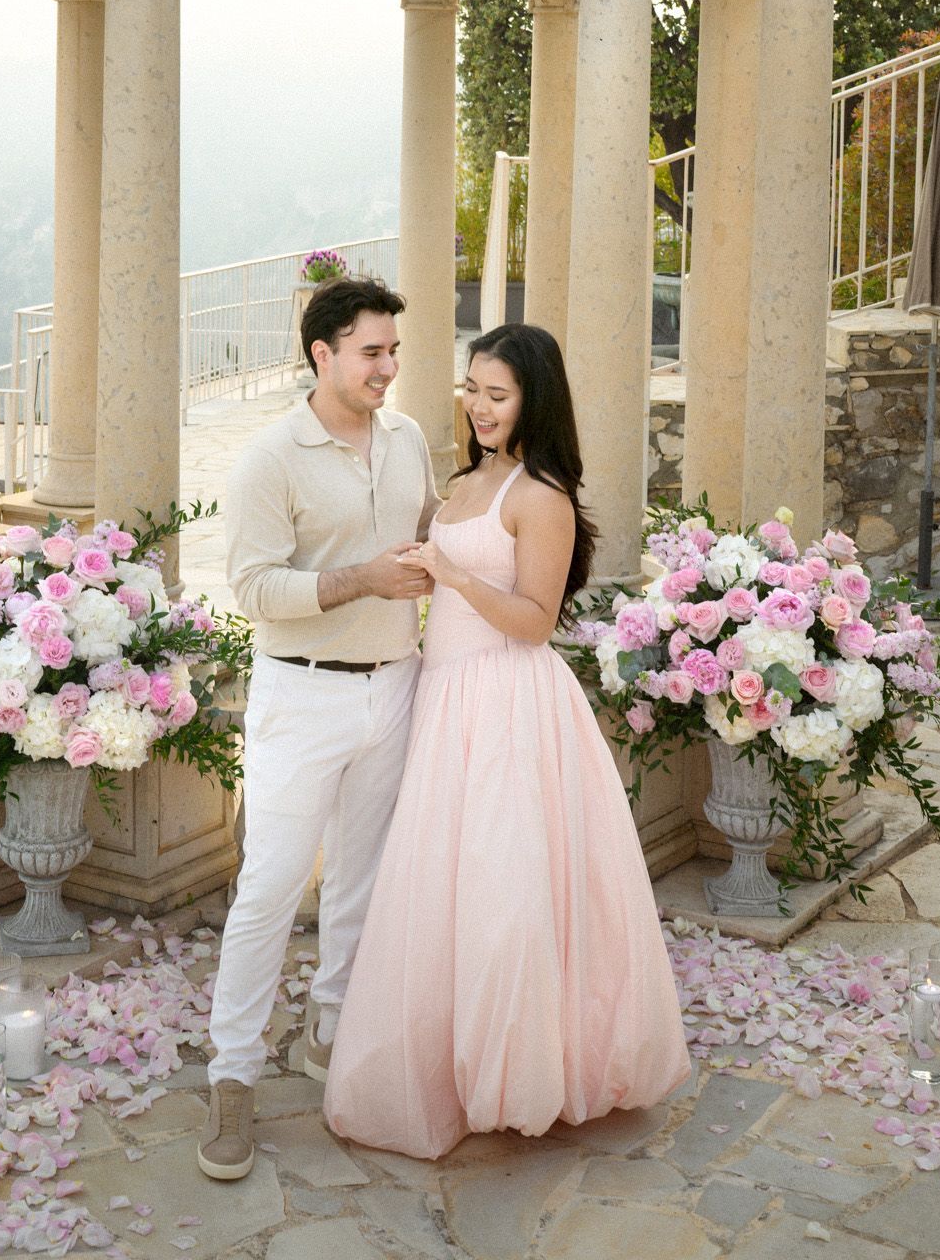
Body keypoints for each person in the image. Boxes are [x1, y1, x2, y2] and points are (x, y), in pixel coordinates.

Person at [323, 322, 691, 1160]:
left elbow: (533, 622)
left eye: (498, 394)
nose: (479, 407)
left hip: (507, 704)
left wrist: (452, 576)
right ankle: (446, 1065)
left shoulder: (541, 495)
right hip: (443, 697)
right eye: (471, 389)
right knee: (440, 889)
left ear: (534, 399)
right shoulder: (465, 480)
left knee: (503, 891)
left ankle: (517, 1073)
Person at [198, 275, 439, 1181]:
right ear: (323, 355)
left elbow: (422, 536)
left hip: (398, 685)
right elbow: (255, 590)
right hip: (299, 696)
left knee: (363, 883)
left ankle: (330, 1032)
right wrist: (359, 581)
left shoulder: (409, 437)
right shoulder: (270, 458)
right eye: (371, 352)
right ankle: (231, 1079)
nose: (388, 368)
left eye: (392, 351)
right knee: (269, 889)